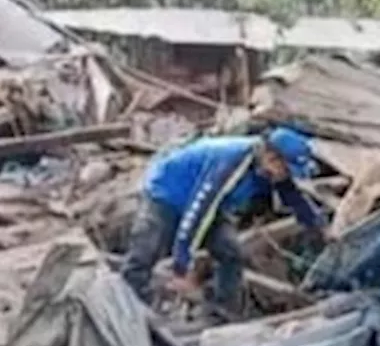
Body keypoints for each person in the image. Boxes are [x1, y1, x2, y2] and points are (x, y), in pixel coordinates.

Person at [120, 127, 327, 319]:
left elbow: (290, 194)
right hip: (168, 192)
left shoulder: (268, 168)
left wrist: (316, 225)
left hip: (211, 203)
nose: (287, 175)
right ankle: (128, 306)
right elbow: (198, 210)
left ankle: (224, 312)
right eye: (286, 169)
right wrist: (181, 266)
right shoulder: (231, 163)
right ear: (271, 158)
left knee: (231, 252)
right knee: (146, 248)